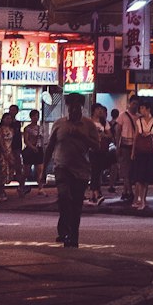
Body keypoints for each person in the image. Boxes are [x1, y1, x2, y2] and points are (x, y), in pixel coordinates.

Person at [41, 94, 99, 247]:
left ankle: (73, 235)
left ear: (81, 108)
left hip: (81, 170)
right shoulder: (59, 124)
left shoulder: (88, 125)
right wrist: (43, 171)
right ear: (68, 108)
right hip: (62, 167)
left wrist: (82, 137)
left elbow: (97, 146)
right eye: (71, 107)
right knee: (64, 196)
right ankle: (64, 229)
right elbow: (50, 146)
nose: (74, 110)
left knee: (76, 204)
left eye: (77, 107)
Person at [130, 100, 153, 212]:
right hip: (141, 152)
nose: (141, 110)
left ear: (149, 109)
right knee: (141, 179)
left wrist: (152, 133)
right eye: (140, 108)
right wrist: (133, 151)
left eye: (143, 108)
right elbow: (135, 137)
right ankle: (142, 202)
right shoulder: (138, 121)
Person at [117, 94, 141, 205]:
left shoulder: (140, 117)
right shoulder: (123, 115)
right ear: (129, 103)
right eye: (133, 103)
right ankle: (129, 192)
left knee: (134, 170)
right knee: (125, 170)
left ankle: (127, 191)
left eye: (137, 104)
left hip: (136, 147)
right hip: (125, 146)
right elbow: (118, 130)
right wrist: (118, 145)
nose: (135, 106)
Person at [21, 109, 44, 188]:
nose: (36, 118)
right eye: (34, 116)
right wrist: (32, 147)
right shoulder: (27, 128)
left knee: (40, 169)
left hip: (39, 149)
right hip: (30, 150)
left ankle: (40, 188)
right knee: (26, 171)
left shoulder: (41, 128)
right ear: (31, 117)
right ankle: (21, 185)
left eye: (37, 116)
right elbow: (26, 140)